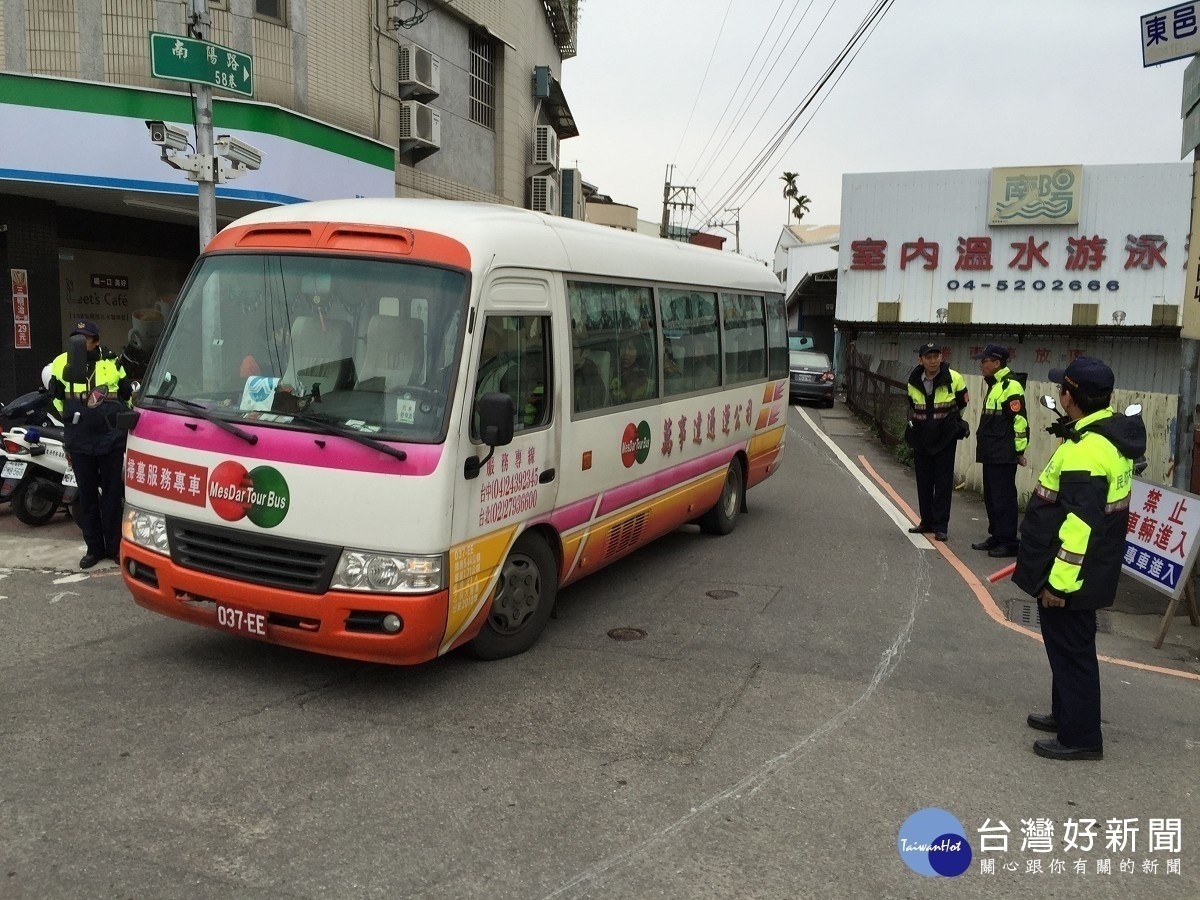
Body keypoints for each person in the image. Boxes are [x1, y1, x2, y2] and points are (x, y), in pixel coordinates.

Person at [1013, 356, 1145, 761]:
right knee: (1067, 647)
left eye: (1061, 389)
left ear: (1070, 397)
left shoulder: (1089, 450)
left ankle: (1082, 737)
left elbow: (1080, 525)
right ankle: (1065, 713)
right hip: (1090, 566)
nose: (1058, 393)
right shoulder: (1104, 436)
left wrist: (1059, 584)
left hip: (1071, 573)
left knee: (1072, 652)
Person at [48, 319, 134, 570]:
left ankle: (114, 547)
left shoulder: (112, 361)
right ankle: (93, 549)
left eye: (85, 339)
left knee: (112, 495)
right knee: (86, 497)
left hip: (111, 440)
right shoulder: (61, 362)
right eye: (76, 337)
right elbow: (55, 399)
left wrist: (115, 421)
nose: (79, 343)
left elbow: (126, 395)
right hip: (80, 440)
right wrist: (73, 421)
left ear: (96, 341)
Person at [904, 341, 968, 541]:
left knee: (943, 482)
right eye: (928, 357)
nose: (933, 361)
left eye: (936, 356)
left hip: (945, 437)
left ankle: (941, 526)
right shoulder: (913, 380)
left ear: (942, 357)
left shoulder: (954, 378)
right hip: (922, 437)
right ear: (920, 360)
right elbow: (913, 406)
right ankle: (927, 522)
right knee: (924, 481)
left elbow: (963, 403)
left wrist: (951, 423)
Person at [970, 343, 1028, 558]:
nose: (981, 365)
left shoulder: (1010, 386)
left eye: (984, 361)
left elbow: (1020, 421)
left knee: (1003, 498)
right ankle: (996, 535)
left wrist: (1019, 451)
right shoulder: (995, 384)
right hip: (991, 450)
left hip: (1003, 452)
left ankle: (1009, 541)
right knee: (992, 497)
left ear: (997, 363)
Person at [610, 340, 650, 404]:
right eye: (622, 347)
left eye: (631, 348)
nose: (626, 352)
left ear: (638, 352)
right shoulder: (610, 370)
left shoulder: (643, 378)